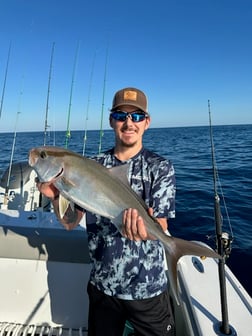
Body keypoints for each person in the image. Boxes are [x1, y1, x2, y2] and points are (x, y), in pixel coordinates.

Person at [37, 87, 176, 336]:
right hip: (103, 287)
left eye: (136, 116)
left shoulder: (160, 168)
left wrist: (146, 231)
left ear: (147, 122)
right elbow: (70, 222)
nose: (128, 122)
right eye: (121, 115)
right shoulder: (92, 165)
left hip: (148, 289)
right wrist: (58, 195)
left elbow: (161, 227)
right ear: (112, 120)